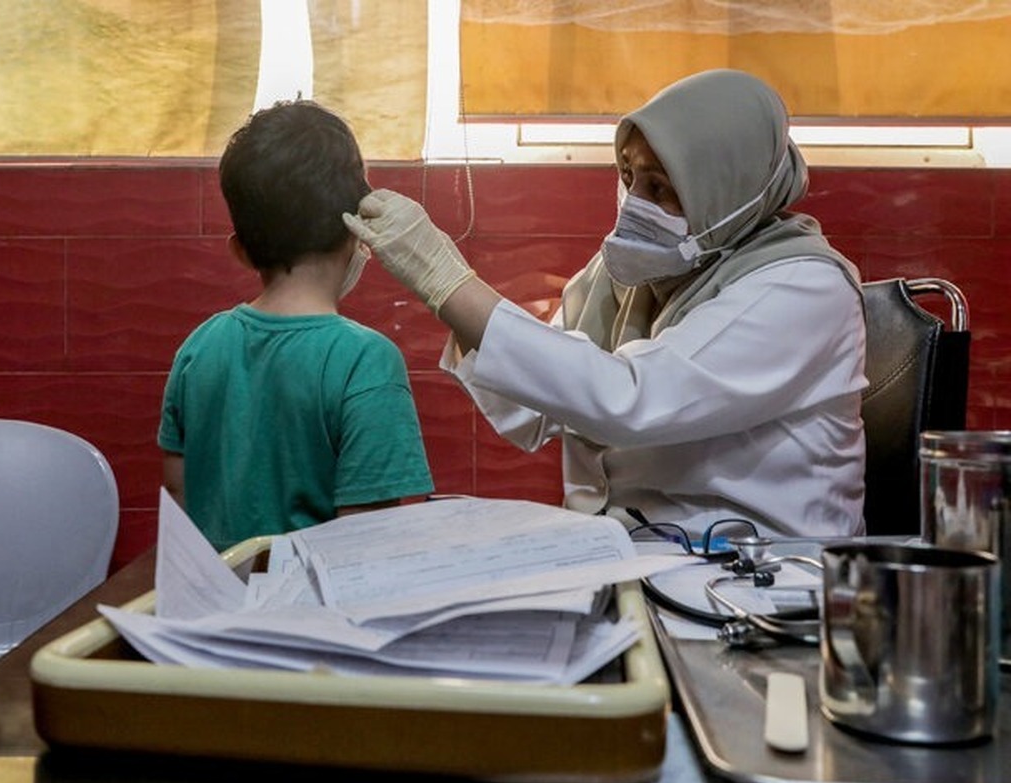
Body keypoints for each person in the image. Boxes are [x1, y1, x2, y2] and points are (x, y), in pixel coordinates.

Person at [344, 69, 867, 541]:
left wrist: (448, 280)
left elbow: (631, 401)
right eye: (627, 176)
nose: (634, 205)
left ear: (727, 193)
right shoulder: (648, 268)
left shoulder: (803, 288)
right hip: (630, 551)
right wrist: (444, 295)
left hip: (756, 573)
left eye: (660, 188)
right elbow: (536, 407)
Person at [159, 100, 434, 550]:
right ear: (357, 233)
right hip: (314, 597)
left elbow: (179, 497)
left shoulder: (200, 346)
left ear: (240, 250)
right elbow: (367, 542)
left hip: (214, 590)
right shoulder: (366, 361)